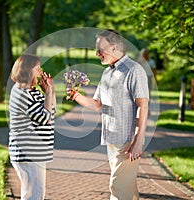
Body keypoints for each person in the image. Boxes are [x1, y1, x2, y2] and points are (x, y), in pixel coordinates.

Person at [68, 30, 149, 200]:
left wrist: (138, 140)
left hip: (127, 142)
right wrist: (76, 95)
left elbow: (143, 105)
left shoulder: (134, 70)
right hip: (111, 139)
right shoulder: (107, 73)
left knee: (117, 188)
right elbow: (97, 104)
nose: (97, 54)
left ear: (114, 48)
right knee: (127, 189)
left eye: (100, 49)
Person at [8, 54, 56, 200]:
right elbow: (45, 118)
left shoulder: (32, 90)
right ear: (28, 71)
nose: (41, 72)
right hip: (28, 153)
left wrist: (49, 91)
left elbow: (51, 112)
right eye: (37, 69)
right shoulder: (22, 93)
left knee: (35, 194)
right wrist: (48, 93)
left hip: (36, 152)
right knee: (34, 195)